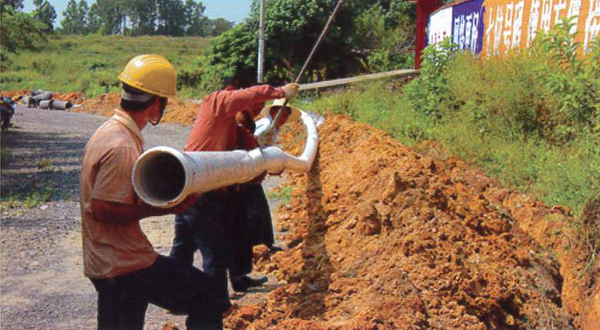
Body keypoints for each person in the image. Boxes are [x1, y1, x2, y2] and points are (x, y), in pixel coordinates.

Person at [79, 54, 229, 330]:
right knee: (208, 294)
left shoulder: (109, 131)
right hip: (124, 266)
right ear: (158, 103)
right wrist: (167, 207)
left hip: (111, 262)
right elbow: (103, 208)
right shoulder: (121, 145)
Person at [169, 78, 299, 297]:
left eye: (260, 107)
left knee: (185, 246)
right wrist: (278, 92)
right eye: (256, 103)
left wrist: (263, 151)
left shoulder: (236, 125)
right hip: (199, 188)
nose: (258, 109)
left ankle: (177, 297)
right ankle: (215, 304)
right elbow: (244, 97)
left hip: (198, 187)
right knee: (212, 251)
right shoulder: (217, 102)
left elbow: (252, 161)